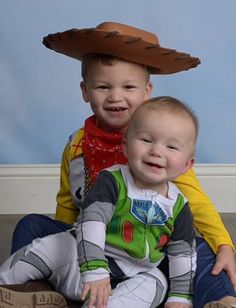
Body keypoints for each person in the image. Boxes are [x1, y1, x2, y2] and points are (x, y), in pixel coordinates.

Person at [4, 22, 236, 308]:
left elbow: (195, 202)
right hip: (93, 238)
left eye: (128, 87)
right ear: (85, 91)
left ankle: (218, 299)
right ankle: (33, 288)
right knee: (31, 227)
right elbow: (67, 200)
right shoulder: (78, 144)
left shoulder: (159, 145)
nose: (115, 96)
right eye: (103, 86)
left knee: (196, 251)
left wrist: (224, 243)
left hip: (147, 247)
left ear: (146, 91)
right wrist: (67, 244)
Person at [0, 96, 198, 308]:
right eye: (146, 140)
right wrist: (94, 270)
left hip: (135, 273)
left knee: (156, 282)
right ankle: (7, 286)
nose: (157, 151)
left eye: (172, 147)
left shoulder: (178, 206)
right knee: (52, 245)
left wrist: (180, 297)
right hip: (81, 263)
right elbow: (91, 222)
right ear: (125, 145)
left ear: (187, 165)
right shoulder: (112, 181)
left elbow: (183, 254)